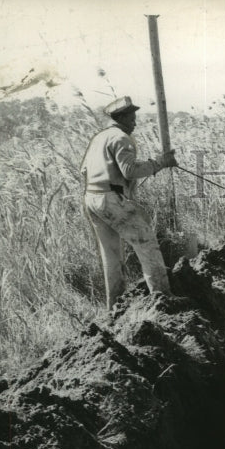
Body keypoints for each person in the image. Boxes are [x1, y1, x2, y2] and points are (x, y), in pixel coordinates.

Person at [80, 95, 177, 309]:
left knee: (111, 255)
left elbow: (84, 170)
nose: (135, 122)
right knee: (146, 242)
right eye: (132, 118)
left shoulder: (99, 138)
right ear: (121, 117)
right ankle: (164, 300)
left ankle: (115, 307)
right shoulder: (121, 138)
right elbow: (130, 170)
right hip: (110, 198)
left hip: (92, 198)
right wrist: (161, 162)